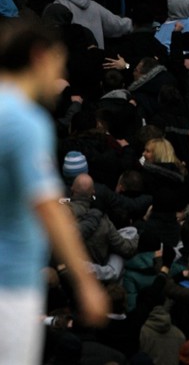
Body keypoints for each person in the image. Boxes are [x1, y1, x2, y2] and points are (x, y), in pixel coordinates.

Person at [0, 19, 109, 364]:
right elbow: (48, 207)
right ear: (39, 57)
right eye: (59, 63)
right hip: (10, 284)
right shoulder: (24, 120)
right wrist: (86, 282)